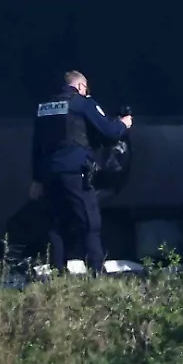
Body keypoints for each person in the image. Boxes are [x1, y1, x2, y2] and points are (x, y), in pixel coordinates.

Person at [31, 71, 132, 275]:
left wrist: (36, 179)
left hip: (50, 174)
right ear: (80, 86)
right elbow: (109, 130)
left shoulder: (44, 108)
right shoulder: (82, 103)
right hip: (75, 173)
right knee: (89, 221)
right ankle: (97, 272)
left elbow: (36, 146)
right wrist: (124, 124)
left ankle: (58, 273)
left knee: (57, 225)